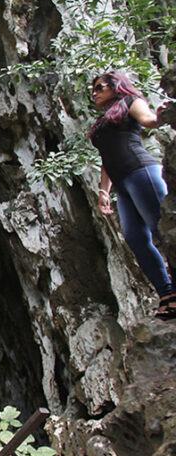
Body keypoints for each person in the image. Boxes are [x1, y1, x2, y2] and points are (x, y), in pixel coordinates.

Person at [88, 70, 173, 317]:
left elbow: (147, 120)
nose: (95, 93)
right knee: (136, 239)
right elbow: (106, 157)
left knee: (164, 233)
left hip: (141, 172)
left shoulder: (131, 102)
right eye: (93, 89)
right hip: (123, 184)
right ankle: (167, 294)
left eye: (100, 87)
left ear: (116, 86)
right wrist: (104, 191)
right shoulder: (104, 121)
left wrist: (160, 117)